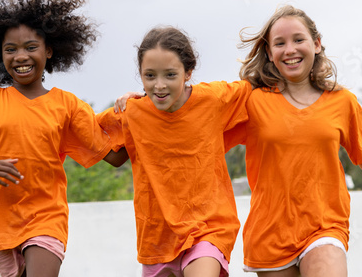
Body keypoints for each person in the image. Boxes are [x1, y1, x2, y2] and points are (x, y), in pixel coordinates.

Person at [0, 0, 127, 277]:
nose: (21, 57)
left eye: (30, 47)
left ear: (49, 51)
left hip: (46, 217)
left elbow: (115, 156)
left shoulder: (67, 105)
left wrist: (138, 109)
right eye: (10, 49)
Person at [224, 5, 362, 276]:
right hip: (270, 232)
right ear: (269, 53)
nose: (290, 49)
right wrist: (149, 103)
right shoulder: (252, 100)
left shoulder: (342, 102)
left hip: (325, 225)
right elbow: (201, 126)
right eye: (279, 43)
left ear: (316, 44)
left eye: (298, 39)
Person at [96, 26, 252, 277]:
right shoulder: (132, 112)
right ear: (140, 75)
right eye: (150, 76)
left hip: (208, 229)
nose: (159, 85)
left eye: (170, 75)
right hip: (157, 238)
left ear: (188, 72)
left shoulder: (214, 99)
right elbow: (85, 132)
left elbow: (257, 86)